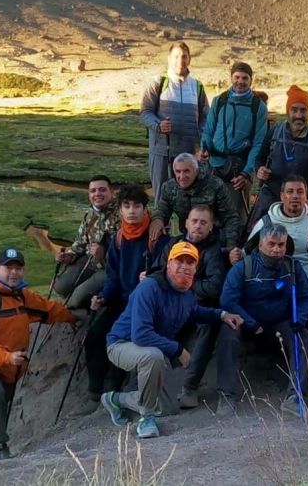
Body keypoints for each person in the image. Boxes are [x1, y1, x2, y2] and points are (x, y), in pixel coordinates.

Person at [101, 242, 243, 438]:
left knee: (167, 407)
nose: (184, 266)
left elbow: (195, 312)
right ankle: (147, 419)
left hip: (152, 350)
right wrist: (178, 350)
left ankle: (115, 399)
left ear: (195, 268)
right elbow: (140, 334)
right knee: (153, 356)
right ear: (169, 264)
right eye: (179, 261)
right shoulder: (149, 287)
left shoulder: (187, 293)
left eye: (190, 262)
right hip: (121, 345)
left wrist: (223, 315)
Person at [0, 248, 74, 460]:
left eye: (18, 268)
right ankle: (1, 447)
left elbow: (48, 309)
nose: (13, 273)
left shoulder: (21, 296)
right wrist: (7, 357)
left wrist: (74, 317)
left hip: (7, 367)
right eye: (8, 268)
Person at [217, 224, 308, 415]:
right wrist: (251, 323)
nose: (276, 249)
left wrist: (299, 318)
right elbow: (227, 301)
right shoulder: (243, 267)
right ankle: (226, 395)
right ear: (260, 245)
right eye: (271, 244)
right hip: (247, 323)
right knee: (227, 333)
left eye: (281, 245)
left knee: (303, 336)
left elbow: (306, 297)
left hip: (280, 322)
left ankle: (294, 397)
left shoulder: (293, 267)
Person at [86, 185, 163, 403]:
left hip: (143, 304)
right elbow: (113, 277)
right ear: (120, 210)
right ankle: (94, 390)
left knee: (121, 339)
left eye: (137, 206)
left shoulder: (156, 237)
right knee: (94, 336)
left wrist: (150, 279)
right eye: (127, 206)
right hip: (120, 301)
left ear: (145, 209)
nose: (132, 211)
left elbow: (163, 272)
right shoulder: (118, 239)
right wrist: (103, 296)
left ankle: (114, 388)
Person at [153, 206, 229, 409]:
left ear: (211, 226)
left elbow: (215, 286)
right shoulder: (174, 243)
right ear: (186, 222)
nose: (198, 226)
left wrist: (184, 284)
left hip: (198, 303)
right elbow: (157, 271)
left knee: (208, 326)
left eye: (204, 222)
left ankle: (190, 388)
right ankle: (149, 386)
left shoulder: (214, 250)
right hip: (169, 301)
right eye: (194, 221)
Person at [140, 42, 209, 205]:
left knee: (191, 200)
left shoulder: (197, 86)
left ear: (189, 59)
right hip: (162, 152)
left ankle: (188, 231)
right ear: (169, 59)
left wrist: (203, 146)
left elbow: (206, 118)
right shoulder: (158, 82)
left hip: (189, 153)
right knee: (162, 199)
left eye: (184, 56)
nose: (181, 60)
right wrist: (158, 125)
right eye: (176, 56)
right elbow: (145, 112)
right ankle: (162, 230)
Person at [200, 61, 268, 225]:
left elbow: (259, 143)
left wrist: (246, 173)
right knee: (209, 212)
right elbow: (209, 129)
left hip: (240, 170)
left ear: (250, 80)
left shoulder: (258, 107)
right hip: (214, 166)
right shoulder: (219, 101)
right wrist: (204, 148)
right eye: (237, 77)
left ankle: (236, 249)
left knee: (236, 217)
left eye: (245, 78)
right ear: (231, 77)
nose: (240, 82)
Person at [249, 85, 308, 226]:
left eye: (303, 110)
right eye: (294, 110)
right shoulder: (274, 133)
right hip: (271, 192)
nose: (298, 115)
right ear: (287, 111)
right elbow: (260, 158)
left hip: (299, 197)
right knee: (255, 229)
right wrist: (259, 170)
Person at [243, 175, 308, 289]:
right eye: (290, 192)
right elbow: (248, 255)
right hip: (276, 286)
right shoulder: (267, 221)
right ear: (282, 196)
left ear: (306, 196)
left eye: (300, 192)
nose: (295, 196)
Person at [149, 153, 242, 257]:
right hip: (187, 237)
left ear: (196, 171)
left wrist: (230, 248)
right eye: (178, 172)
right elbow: (162, 210)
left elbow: (231, 217)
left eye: (186, 171)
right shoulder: (169, 187)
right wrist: (157, 220)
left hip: (214, 238)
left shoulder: (215, 185)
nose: (182, 176)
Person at [53, 175, 120, 309]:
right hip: (90, 263)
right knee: (60, 286)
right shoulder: (90, 214)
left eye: (102, 190)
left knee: (75, 300)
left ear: (111, 191)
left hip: (110, 269)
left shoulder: (122, 214)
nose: (97, 194)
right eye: (93, 191)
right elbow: (79, 244)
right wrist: (68, 256)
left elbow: (126, 256)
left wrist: (103, 255)